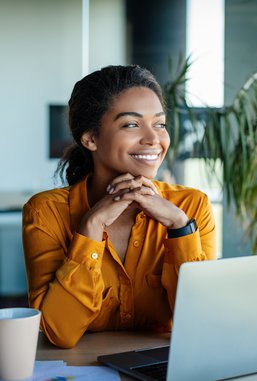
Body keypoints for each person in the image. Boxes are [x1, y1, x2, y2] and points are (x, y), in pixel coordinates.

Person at [22, 65, 216, 349]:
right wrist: (90, 228)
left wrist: (180, 228)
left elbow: (203, 323)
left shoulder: (190, 207)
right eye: (131, 124)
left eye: (159, 124)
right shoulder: (45, 212)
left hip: (166, 369)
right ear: (90, 138)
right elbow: (58, 332)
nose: (154, 139)